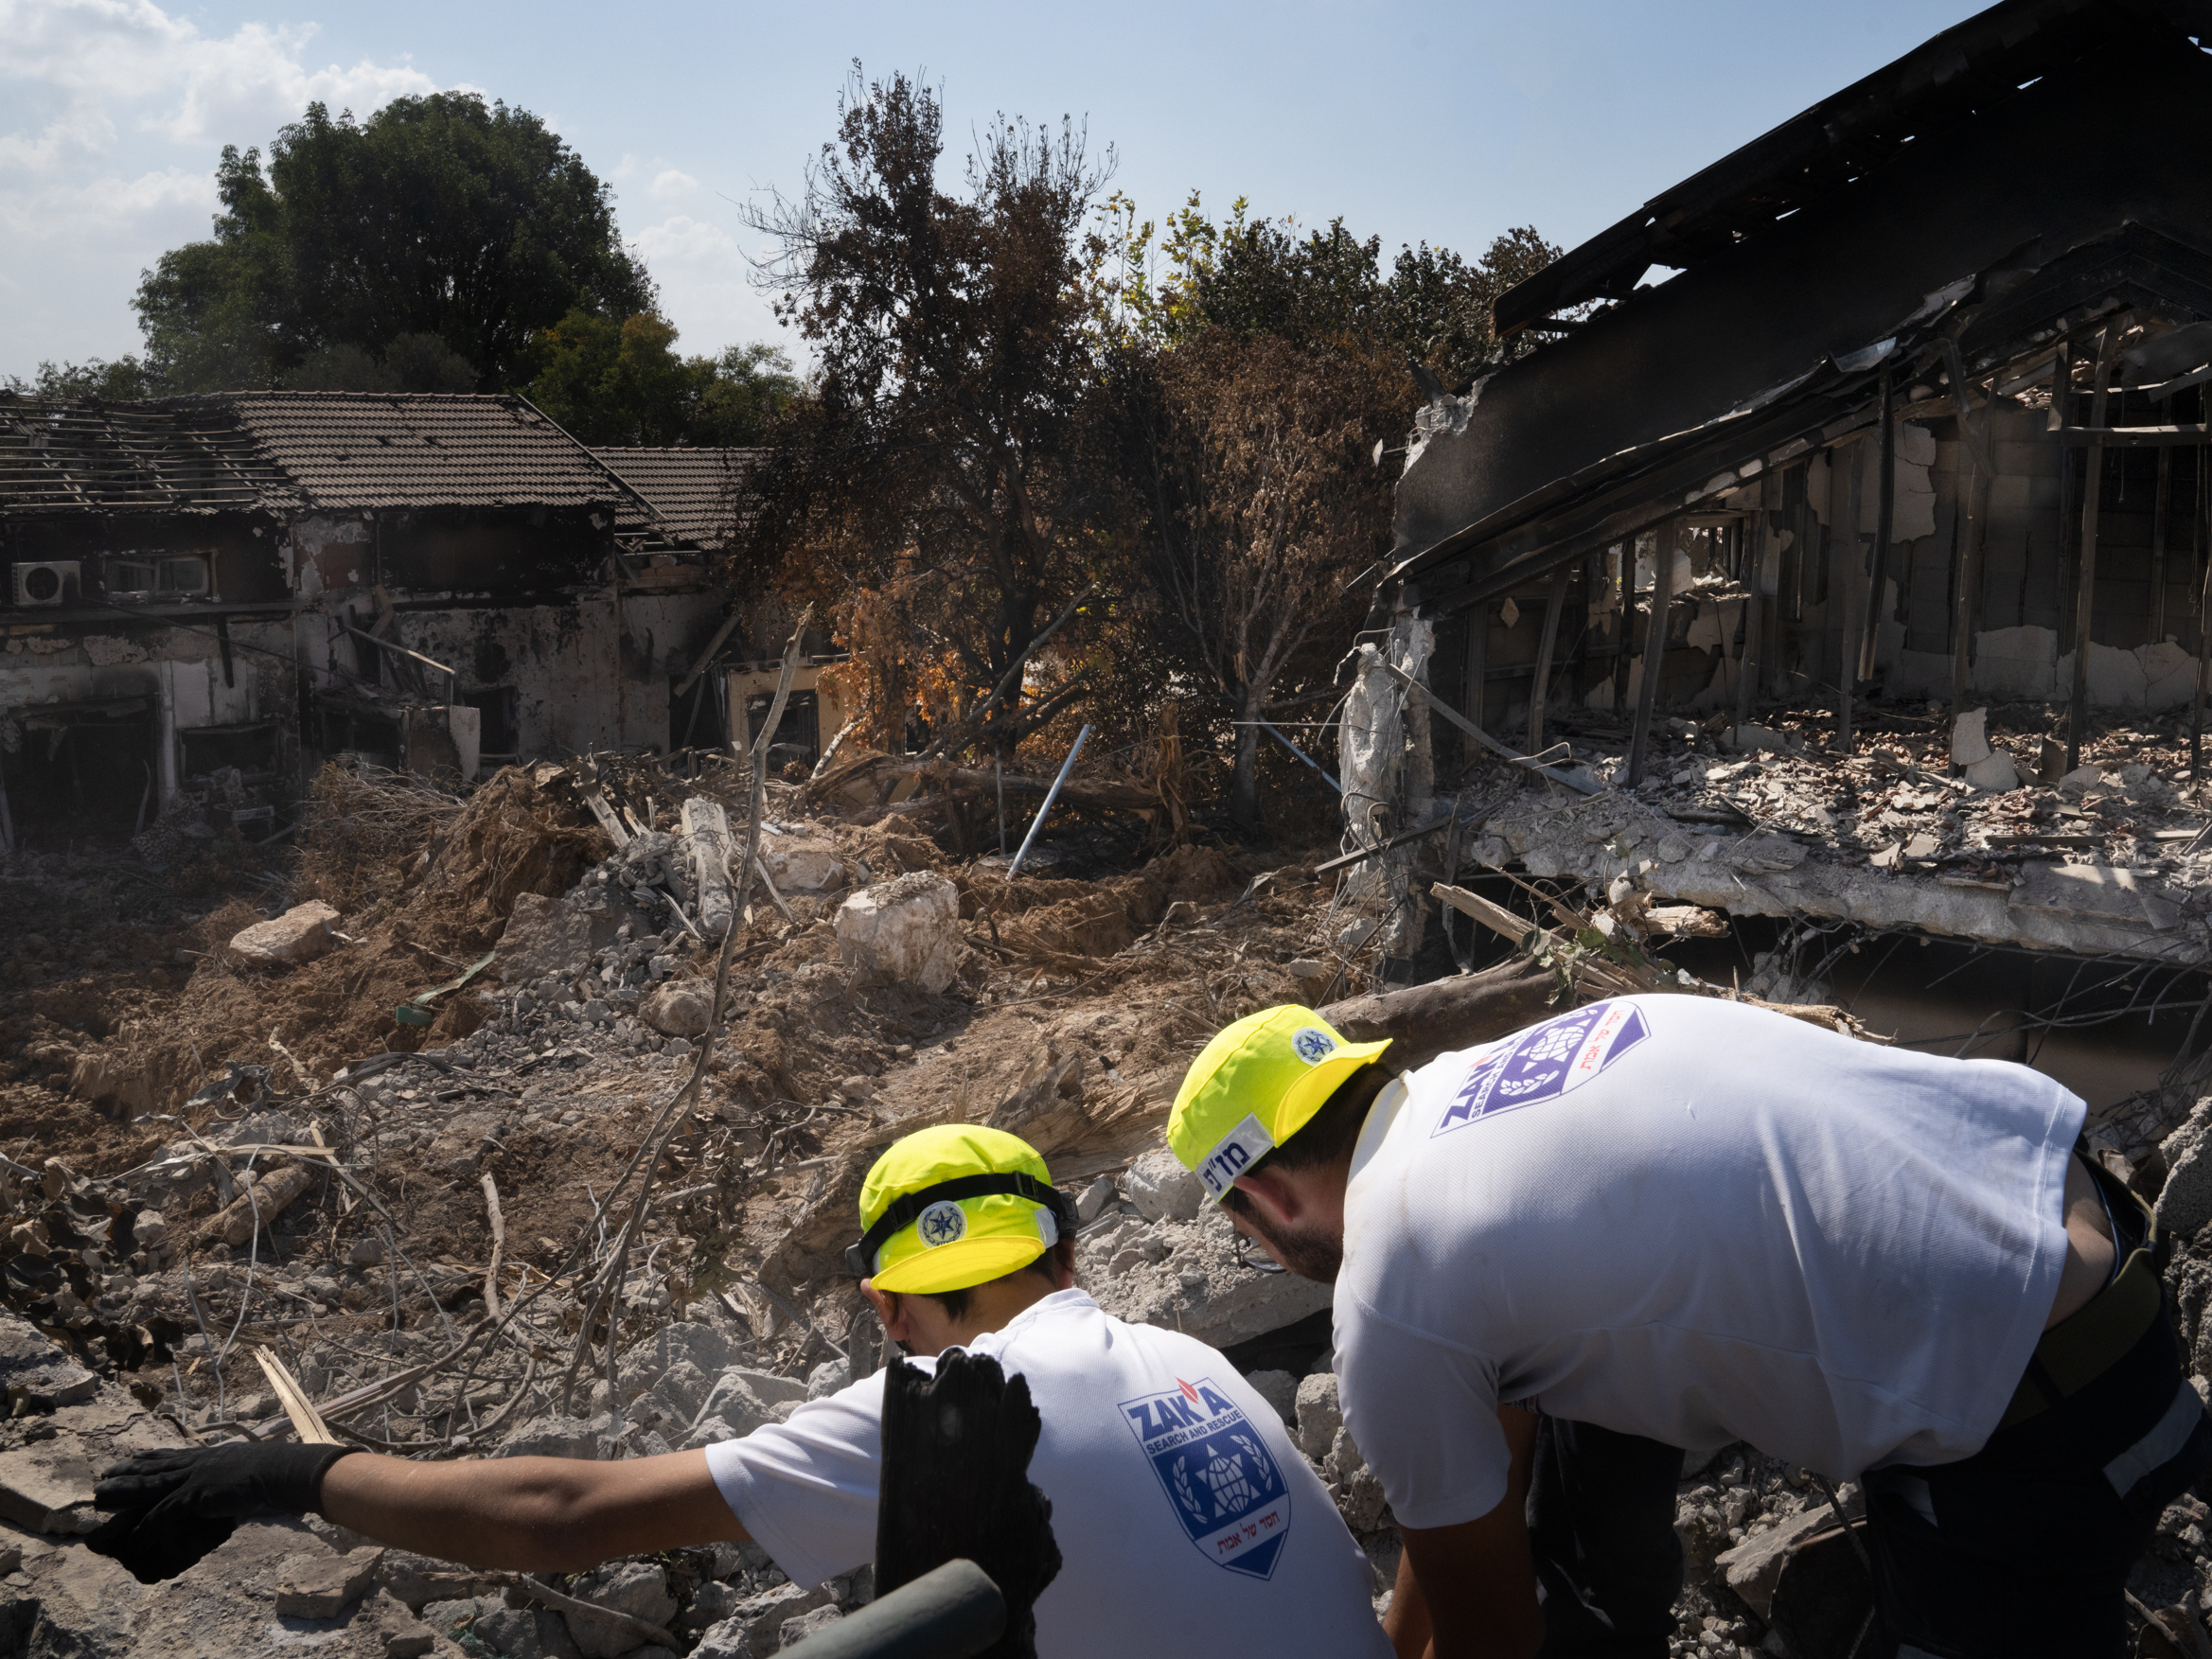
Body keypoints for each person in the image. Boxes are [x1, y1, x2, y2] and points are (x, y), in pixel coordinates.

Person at [1162, 997, 2212, 1659]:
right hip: (2102, 1248)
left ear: (1266, 1197)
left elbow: (1491, 1634)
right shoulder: (1494, 1085)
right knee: (1582, 1406)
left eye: (1250, 1236)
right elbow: (1493, 1453)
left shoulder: (1388, 1286)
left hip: (2036, 1426)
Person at [97, 1124, 1392, 1658]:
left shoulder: (953, 1400)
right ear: (1067, 1252)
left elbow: (559, 1511)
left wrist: (274, 1471)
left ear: (885, 1309)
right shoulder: (1202, 1359)